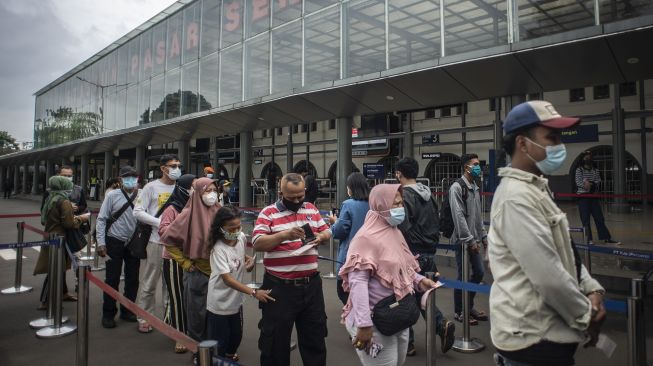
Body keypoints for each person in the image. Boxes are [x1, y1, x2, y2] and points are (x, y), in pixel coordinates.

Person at [489, 101, 607, 366]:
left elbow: (565, 250)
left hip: (548, 332)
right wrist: (586, 313)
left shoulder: (537, 189)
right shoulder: (515, 197)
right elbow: (548, 275)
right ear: (522, 144)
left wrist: (591, 288)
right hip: (532, 337)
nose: (558, 145)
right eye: (551, 137)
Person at [339, 184, 448, 366]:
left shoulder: (393, 231)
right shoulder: (365, 238)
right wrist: (364, 325)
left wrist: (420, 281)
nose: (400, 209)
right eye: (394, 204)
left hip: (398, 314)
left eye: (400, 203)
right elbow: (357, 284)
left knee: (398, 361)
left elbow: (402, 267)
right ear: (380, 205)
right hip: (376, 320)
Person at [252, 173, 331, 366]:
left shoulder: (311, 209)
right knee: (275, 344)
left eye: (300, 196)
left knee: (315, 339)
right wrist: (284, 235)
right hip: (280, 288)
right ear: (280, 193)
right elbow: (257, 243)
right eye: (291, 197)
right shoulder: (268, 213)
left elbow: (326, 230)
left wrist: (322, 237)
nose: (297, 201)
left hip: (311, 285)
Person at [160, 177, 221, 363]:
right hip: (198, 272)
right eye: (207, 190)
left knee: (216, 313)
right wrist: (185, 263)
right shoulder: (187, 214)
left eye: (214, 189)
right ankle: (198, 352)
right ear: (198, 193)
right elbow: (168, 239)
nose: (212, 194)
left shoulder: (219, 211)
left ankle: (215, 349)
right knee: (197, 314)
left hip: (219, 272)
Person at [395, 157, 452, 356]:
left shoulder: (404, 196)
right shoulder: (430, 195)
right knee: (424, 294)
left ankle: (408, 342)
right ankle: (441, 324)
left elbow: (403, 226)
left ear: (399, 174)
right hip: (429, 251)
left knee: (404, 296)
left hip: (412, 253)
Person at [206, 206, 272, 361]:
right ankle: (218, 360)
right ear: (221, 227)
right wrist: (254, 292)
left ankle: (228, 358)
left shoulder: (241, 237)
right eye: (231, 227)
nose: (236, 230)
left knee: (236, 336)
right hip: (219, 303)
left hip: (235, 301)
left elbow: (238, 256)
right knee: (219, 341)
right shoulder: (218, 249)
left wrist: (247, 260)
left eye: (238, 226)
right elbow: (227, 279)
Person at [133, 154, 179, 333]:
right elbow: (137, 212)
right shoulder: (150, 187)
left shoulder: (180, 187)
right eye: (173, 165)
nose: (176, 168)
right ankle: (145, 317)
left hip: (175, 244)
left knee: (171, 284)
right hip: (155, 242)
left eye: (178, 165)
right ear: (163, 168)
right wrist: (160, 223)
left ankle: (169, 319)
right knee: (150, 282)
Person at [34, 176, 90, 309]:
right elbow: (68, 223)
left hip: (51, 236)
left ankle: (62, 293)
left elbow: (46, 219)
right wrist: (81, 218)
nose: (70, 183)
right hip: (60, 239)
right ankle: (46, 300)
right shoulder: (63, 201)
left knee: (60, 268)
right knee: (55, 269)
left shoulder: (51, 198)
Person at [96, 166, 141, 329]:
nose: (131, 180)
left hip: (134, 242)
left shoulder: (142, 194)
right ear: (120, 179)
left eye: (134, 177)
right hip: (114, 241)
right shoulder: (112, 196)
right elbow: (101, 219)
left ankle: (128, 310)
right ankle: (108, 313)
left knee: (133, 279)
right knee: (112, 278)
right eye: (127, 177)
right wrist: (101, 243)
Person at [158, 173, 196, 353]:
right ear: (182, 188)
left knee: (187, 296)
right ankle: (180, 337)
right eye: (192, 187)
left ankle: (169, 321)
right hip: (173, 260)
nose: (194, 190)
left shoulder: (198, 206)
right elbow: (163, 231)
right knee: (177, 297)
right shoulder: (172, 209)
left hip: (192, 259)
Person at [450, 153, 488, 325]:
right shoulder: (457, 188)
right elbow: (458, 216)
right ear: (466, 167)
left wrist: (483, 235)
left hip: (474, 239)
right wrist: (470, 240)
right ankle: (459, 311)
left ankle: (468, 306)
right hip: (462, 241)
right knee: (462, 276)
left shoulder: (474, 186)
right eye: (476, 164)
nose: (478, 167)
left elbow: (478, 216)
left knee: (479, 272)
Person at [327, 172, 370, 305]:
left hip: (350, 257)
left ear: (351, 188)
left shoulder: (348, 204)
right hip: (370, 256)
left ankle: (357, 318)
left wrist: (335, 222)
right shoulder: (372, 204)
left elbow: (340, 231)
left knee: (343, 291)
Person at [575, 151, 620, 245]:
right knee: (585, 219)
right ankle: (588, 239)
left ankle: (606, 237)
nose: (588, 159)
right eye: (586, 157)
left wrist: (589, 183)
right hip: (583, 197)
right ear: (582, 159)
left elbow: (598, 181)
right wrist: (587, 185)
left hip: (593, 197)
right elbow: (578, 182)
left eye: (589, 157)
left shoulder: (595, 170)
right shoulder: (579, 170)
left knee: (599, 218)